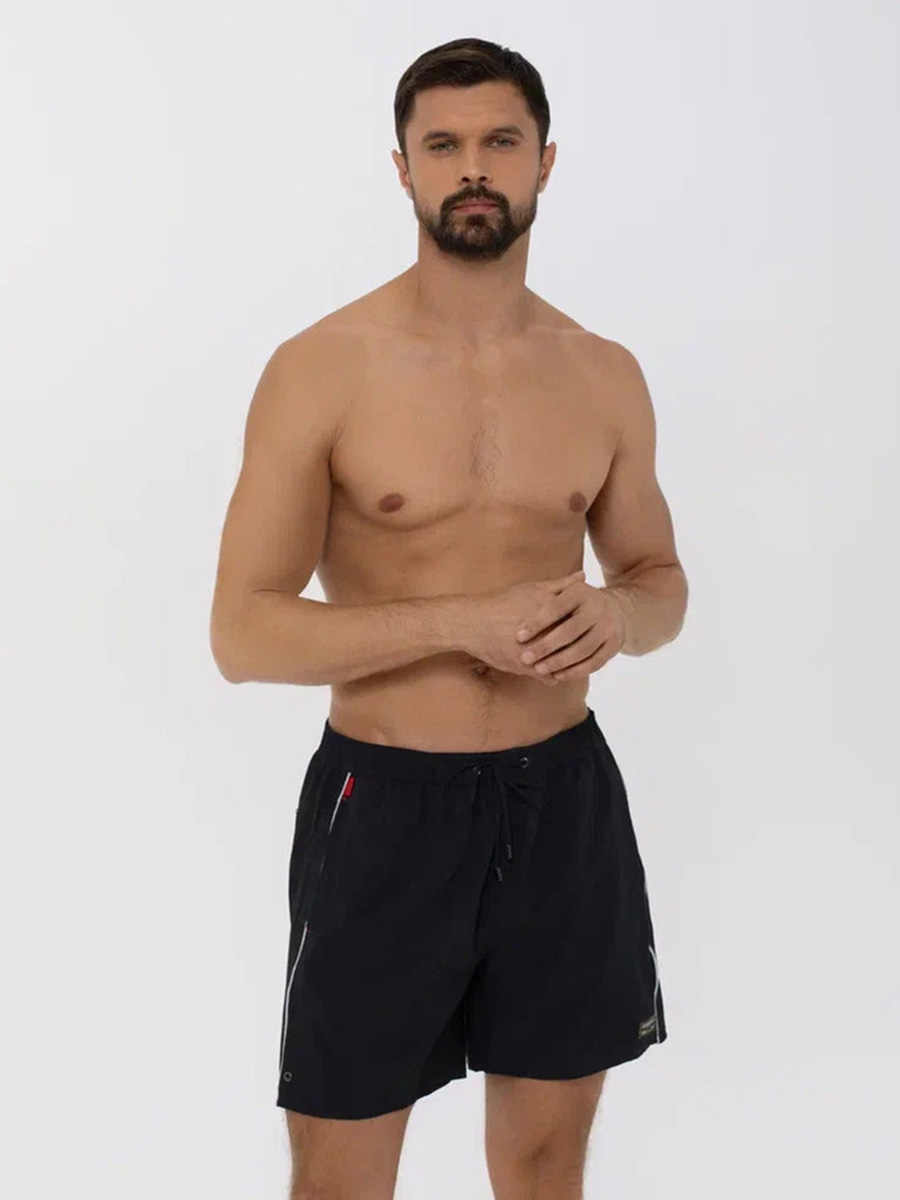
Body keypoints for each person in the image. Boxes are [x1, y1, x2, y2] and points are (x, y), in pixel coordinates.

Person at [210, 34, 688, 1200]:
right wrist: (461, 621)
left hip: (563, 798)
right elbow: (243, 633)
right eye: (444, 145)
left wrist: (621, 615)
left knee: (545, 1163)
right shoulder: (322, 368)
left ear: (544, 161)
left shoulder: (603, 372)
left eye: (500, 142)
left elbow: (660, 580)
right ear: (405, 169)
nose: (474, 167)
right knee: (341, 1172)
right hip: (385, 806)